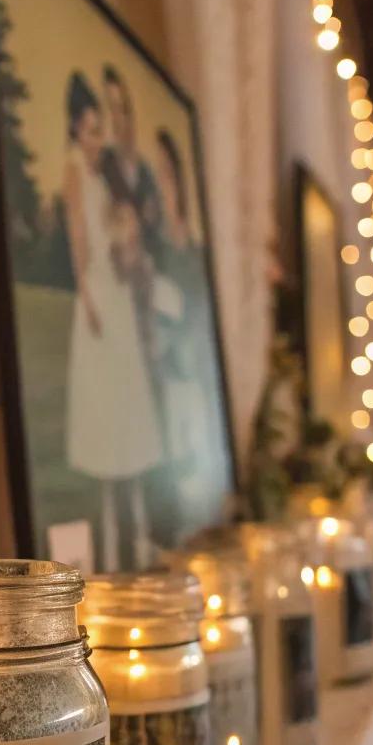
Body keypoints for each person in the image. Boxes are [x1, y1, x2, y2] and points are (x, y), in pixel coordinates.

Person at [63, 69, 162, 571]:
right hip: (98, 292)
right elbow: (78, 233)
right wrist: (86, 293)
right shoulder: (76, 171)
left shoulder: (108, 171)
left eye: (100, 128)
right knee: (106, 399)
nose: (97, 138)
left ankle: (136, 526)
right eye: (89, 129)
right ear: (76, 132)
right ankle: (104, 534)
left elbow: (127, 145)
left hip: (117, 290)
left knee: (129, 397)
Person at [152, 126, 215, 509]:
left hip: (191, 383)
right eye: (154, 173)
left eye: (166, 171)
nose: (161, 183)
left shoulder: (193, 255)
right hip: (165, 385)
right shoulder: (152, 251)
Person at [101, 64, 161, 253]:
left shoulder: (147, 173)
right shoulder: (103, 165)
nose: (118, 119)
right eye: (111, 110)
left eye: (122, 109)